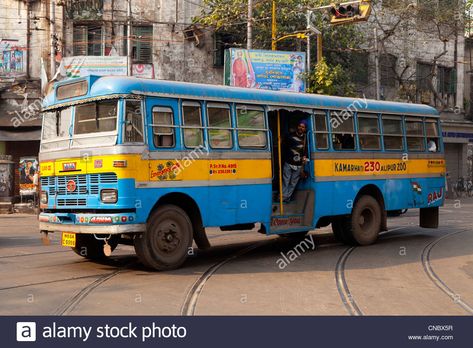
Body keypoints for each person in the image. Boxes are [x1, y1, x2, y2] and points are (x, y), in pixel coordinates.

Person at [282, 120, 308, 203]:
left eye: (303, 127)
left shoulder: (306, 139)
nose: (301, 128)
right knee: (285, 182)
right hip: (288, 163)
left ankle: (287, 198)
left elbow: (305, 151)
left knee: (293, 184)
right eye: (300, 126)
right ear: (297, 126)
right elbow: (283, 147)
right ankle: (283, 198)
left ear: (305, 129)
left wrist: (304, 158)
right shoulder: (289, 136)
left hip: (298, 165)